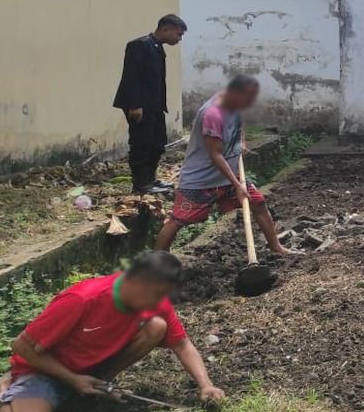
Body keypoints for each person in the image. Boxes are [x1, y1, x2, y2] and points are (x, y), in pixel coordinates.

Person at [0, 251, 224, 412]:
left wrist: (206, 385)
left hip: (88, 369)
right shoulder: (83, 298)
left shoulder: (154, 301)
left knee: (156, 326)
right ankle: (6, 393)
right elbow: (21, 345)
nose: (160, 302)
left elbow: (182, 344)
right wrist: (72, 379)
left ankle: (95, 384)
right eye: (156, 294)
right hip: (43, 372)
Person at [154, 75, 294, 254]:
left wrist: (241, 142)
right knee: (178, 221)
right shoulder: (212, 114)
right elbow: (215, 155)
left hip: (229, 175)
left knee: (258, 203)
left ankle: (276, 247)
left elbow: (239, 121)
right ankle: (155, 264)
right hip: (201, 180)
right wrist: (237, 186)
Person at [113, 14, 187, 193]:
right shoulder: (139, 45)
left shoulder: (157, 48)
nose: (179, 39)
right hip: (139, 105)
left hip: (154, 104)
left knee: (157, 142)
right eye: (178, 34)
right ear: (165, 29)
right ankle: (141, 184)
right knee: (142, 143)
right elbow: (131, 76)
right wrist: (134, 105)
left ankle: (151, 179)